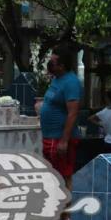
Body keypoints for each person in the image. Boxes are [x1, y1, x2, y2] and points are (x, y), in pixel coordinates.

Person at [36, 45, 82, 189]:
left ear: (62, 66)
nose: (49, 65)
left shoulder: (71, 82)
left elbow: (73, 112)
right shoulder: (57, 79)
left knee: (63, 175)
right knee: (52, 174)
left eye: (53, 62)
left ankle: (66, 210)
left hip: (60, 138)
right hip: (49, 137)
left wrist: (64, 141)